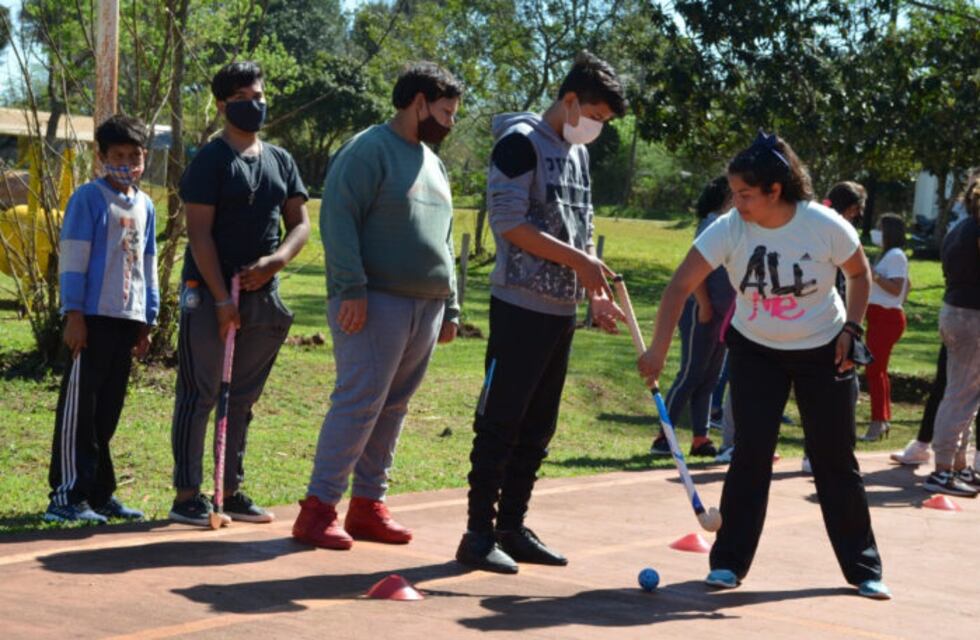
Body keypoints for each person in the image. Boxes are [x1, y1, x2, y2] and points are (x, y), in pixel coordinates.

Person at [638, 131, 890, 599]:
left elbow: (858, 273)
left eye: (745, 194)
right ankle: (728, 563)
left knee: (834, 458)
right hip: (755, 351)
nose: (736, 203)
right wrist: (657, 350)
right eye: (734, 193)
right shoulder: (729, 228)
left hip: (824, 348)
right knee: (749, 455)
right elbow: (678, 287)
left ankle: (863, 568)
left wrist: (852, 330)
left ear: (776, 190)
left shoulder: (823, 224)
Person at [455, 51, 627, 574]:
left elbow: (580, 227)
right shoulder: (519, 142)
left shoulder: (578, 154)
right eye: (594, 115)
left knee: (538, 426)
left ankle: (513, 526)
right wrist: (580, 261)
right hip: (519, 306)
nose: (597, 127)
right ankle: (478, 534)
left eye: (604, 121)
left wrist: (593, 290)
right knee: (500, 421)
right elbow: (508, 223)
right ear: (569, 100)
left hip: (560, 310)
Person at [291, 62, 463, 550]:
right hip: (374, 301)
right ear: (419, 103)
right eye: (446, 112)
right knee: (360, 400)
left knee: (394, 405)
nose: (450, 123)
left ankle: (367, 505)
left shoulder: (432, 162)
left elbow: (445, 237)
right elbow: (339, 218)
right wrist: (351, 288)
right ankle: (318, 509)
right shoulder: (367, 149)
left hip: (426, 306)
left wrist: (450, 305)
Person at [169, 61, 310, 525]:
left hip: (262, 295)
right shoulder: (210, 160)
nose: (254, 105)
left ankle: (229, 490)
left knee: (243, 396)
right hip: (210, 292)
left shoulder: (281, 161)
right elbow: (199, 234)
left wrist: (276, 262)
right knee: (201, 391)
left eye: (259, 96)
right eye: (243, 99)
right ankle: (188, 495)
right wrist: (222, 300)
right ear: (221, 105)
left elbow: (300, 224)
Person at [44, 114, 159, 523]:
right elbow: (73, 259)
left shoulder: (145, 205)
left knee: (106, 412)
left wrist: (147, 319)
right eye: (118, 156)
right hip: (91, 320)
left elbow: (148, 263)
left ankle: (98, 493)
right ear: (102, 157)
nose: (126, 164)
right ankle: (66, 497)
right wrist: (73, 313)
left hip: (126, 318)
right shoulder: (88, 199)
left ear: (144, 157)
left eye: (134, 156)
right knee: (81, 411)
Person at [650, 176, 734, 459]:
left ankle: (700, 438)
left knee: (710, 378)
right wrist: (704, 304)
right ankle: (664, 436)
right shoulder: (712, 223)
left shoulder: (733, 225)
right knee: (690, 374)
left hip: (723, 315)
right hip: (702, 311)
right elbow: (693, 272)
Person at [922, 173, 980, 497]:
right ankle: (942, 469)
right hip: (972, 316)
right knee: (961, 395)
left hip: (955, 310)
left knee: (966, 393)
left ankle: (958, 465)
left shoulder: (960, 228)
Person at [860, 214, 909, 441]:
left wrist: (874, 275)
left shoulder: (896, 255)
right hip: (879, 316)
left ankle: (878, 421)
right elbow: (907, 286)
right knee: (878, 370)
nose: (876, 232)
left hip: (886, 318)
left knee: (874, 370)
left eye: (880, 228)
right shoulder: (890, 255)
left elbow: (897, 288)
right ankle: (882, 419)